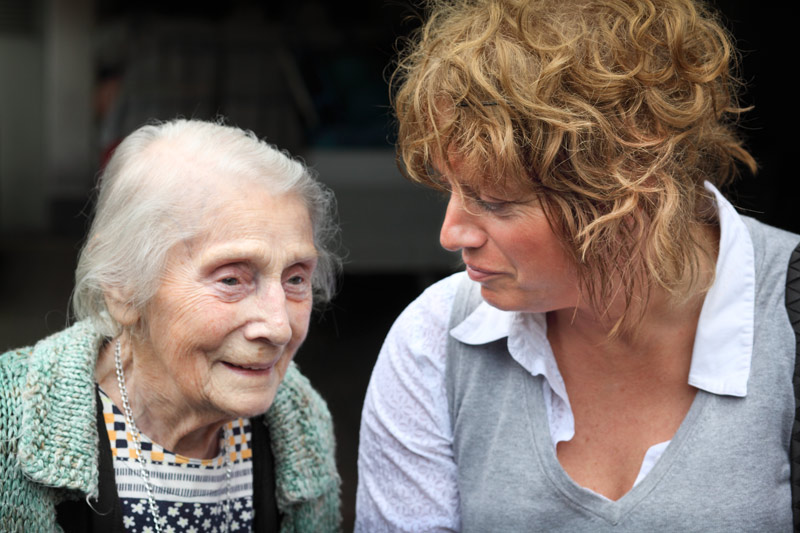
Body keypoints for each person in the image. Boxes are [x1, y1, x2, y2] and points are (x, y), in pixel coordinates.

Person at [356, 0, 800, 531]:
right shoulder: (435, 341)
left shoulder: (786, 316)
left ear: (632, 184)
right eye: (451, 189)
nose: (452, 234)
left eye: (495, 202)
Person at [1, 119, 341, 532]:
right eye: (231, 279)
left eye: (295, 279)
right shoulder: (11, 426)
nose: (279, 326)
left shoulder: (301, 425)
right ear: (123, 287)